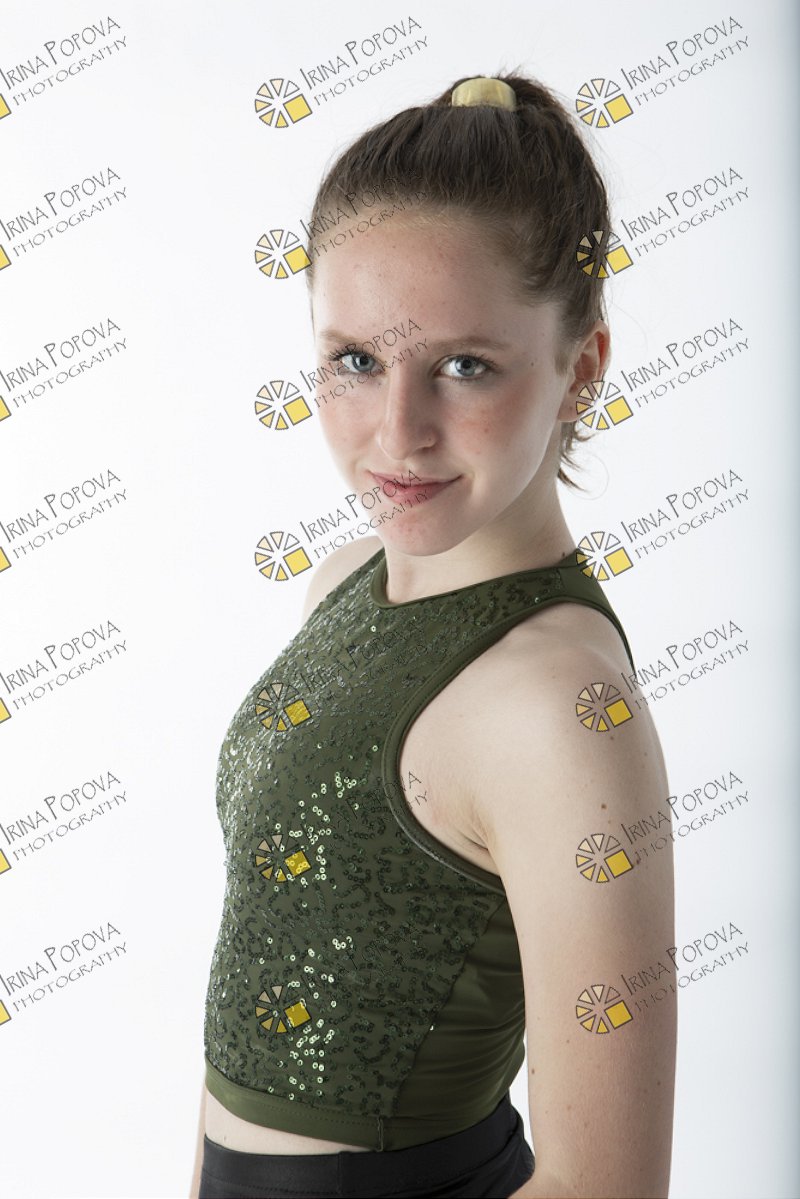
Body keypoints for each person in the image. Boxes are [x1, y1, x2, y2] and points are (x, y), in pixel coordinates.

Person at [191, 71, 676, 1199]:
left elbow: (605, 1186)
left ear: (580, 369)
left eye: (464, 365)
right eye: (356, 361)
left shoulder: (558, 707)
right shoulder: (342, 584)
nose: (396, 433)